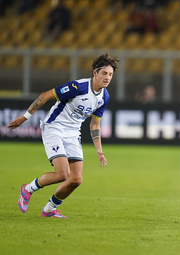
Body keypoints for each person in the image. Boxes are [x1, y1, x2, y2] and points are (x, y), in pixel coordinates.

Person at [8, 53, 119, 218]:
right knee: (62, 174)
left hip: (73, 134)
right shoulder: (78, 87)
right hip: (54, 127)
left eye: (110, 74)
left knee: (76, 180)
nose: (107, 77)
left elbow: (95, 124)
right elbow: (44, 96)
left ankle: (48, 210)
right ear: (94, 73)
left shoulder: (104, 96)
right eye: (104, 73)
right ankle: (27, 189)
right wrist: (25, 117)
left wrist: (99, 150)